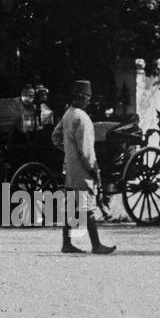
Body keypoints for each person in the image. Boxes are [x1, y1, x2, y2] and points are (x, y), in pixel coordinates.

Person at [51, 80, 114, 255]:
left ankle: (67, 243)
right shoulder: (83, 118)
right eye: (88, 97)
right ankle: (96, 245)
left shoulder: (67, 115)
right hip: (82, 171)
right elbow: (87, 152)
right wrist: (94, 169)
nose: (89, 101)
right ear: (82, 97)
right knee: (88, 208)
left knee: (71, 206)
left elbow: (55, 137)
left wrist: (69, 151)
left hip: (70, 168)